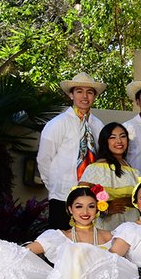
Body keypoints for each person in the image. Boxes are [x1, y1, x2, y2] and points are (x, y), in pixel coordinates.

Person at [37, 72, 105, 230]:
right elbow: (44, 159)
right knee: (60, 242)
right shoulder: (58, 123)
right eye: (79, 91)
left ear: (94, 96)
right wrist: (55, 186)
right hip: (63, 195)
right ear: (71, 95)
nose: (84, 96)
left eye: (89, 92)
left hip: (90, 197)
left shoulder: (98, 125)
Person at [78, 122, 141, 230]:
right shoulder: (95, 168)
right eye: (113, 137)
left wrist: (129, 201)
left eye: (123, 136)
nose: (119, 141)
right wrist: (105, 209)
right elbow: (79, 199)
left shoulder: (134, 171)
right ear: (105, 141)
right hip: (105, 226)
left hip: (132, 225)